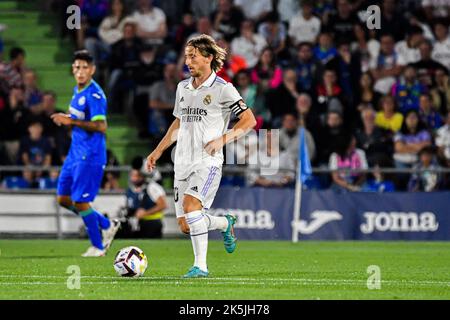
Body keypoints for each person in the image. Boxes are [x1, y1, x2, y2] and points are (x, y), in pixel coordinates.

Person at [146, 34, 257, 278]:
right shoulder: (182, 88)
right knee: (187, 224)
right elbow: (178, 122)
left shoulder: (223, 89)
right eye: (186, 56)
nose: (188, 61)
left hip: (208, 162)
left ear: (208, 58)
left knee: (191, 207)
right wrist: (158, 150)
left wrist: (223, 139)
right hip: (182, 162)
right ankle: (225, 223)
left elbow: (250, 120)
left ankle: (201, 267)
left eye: (193, 56)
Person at [51, 50, 120, 257]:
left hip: (90, 155)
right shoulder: (78, 91)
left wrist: (71, 121)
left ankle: (98, 247)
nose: (80, 72)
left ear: (92, 70)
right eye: (77, 67)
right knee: (63, 199)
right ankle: (106, 224)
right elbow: (79, 118)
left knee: (81, 201)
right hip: (75, 154)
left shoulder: (95, 94)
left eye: (84, 68)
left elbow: (101, 126)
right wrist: (69, 117)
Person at [125, 169, 167, 238]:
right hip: (139, 222)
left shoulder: (151, 186)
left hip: (153, 222)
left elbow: (163, 205)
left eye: (136, 176)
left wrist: (145, 213)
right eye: (132, 176)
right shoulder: (134, 189)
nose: (133, 178)